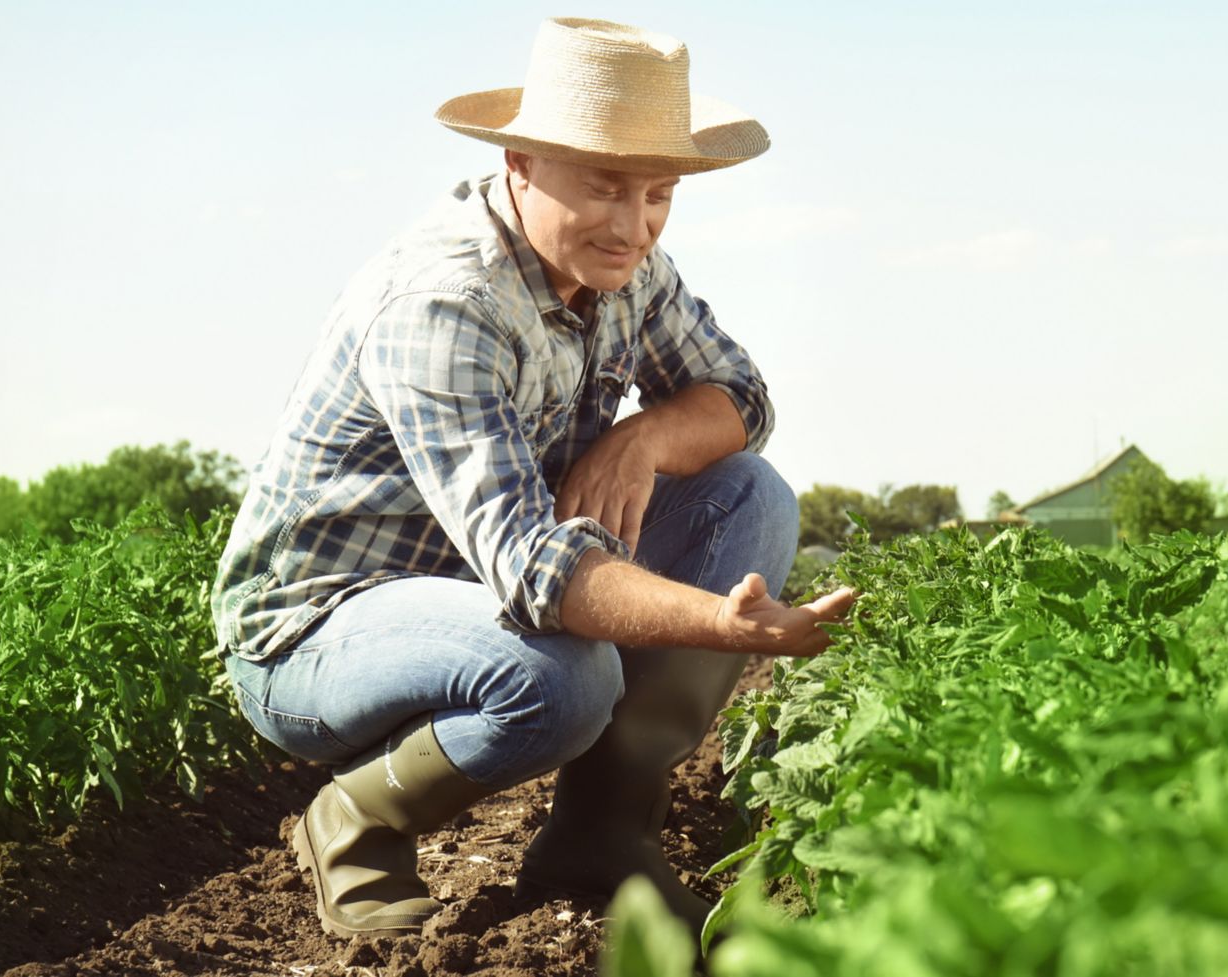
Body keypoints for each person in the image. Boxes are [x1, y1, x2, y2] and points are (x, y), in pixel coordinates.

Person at [209, 17, 857, 940]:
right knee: (561, 678)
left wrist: (643, 439)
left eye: (659, 194)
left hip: (471, 585)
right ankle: (357, 820)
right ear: (519, 162)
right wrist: (722, 624)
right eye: (605, 188)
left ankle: (599, 834)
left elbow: (742, 396)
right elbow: (535, 571)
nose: (634, 226)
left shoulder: (628, 267)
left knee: (748, 494)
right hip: (319, 630)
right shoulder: (445, 304)